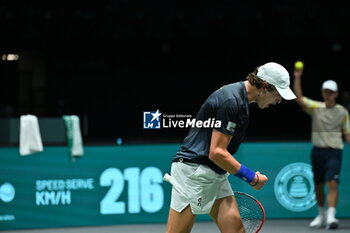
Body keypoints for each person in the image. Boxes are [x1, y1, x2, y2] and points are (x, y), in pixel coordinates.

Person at [166, 62, 296, 233]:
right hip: (194, 173)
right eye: (278, 94)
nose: (279, 100)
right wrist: (252, 178)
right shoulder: (232, 101)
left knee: (236, 230)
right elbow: (217, 152)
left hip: (214, 172)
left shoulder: (238, 98)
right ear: (264, 86)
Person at [293, 65, 350, 230]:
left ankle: (331, 216)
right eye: (325, 91)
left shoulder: (342, 112)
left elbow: (347, 134)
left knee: (332, 183)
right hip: (318, 151)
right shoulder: (316, 107)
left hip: (334, 151)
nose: (328, 94)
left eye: (330, 92)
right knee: (318, 184)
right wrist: (297, 77)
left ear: (336, 94)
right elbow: (299, 98)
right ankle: (321, 215)